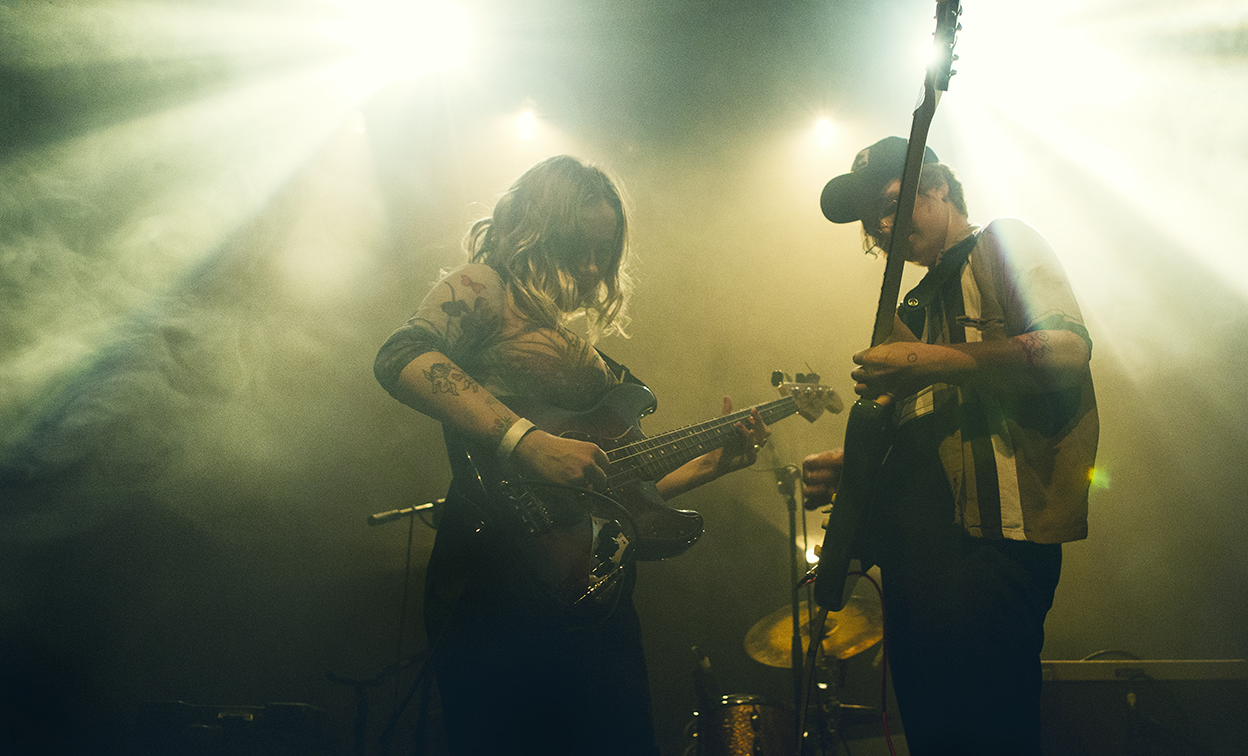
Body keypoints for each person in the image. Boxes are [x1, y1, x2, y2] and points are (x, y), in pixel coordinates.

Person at [373, 155, 766, 756]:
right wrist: (526, 442)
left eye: (602, 253)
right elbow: (402, 355)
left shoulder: (593, 361)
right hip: (495, 573)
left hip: (593, 595)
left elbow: (619, 485)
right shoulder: (483, 286)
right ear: (535, 231)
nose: (590, 267)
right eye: (578, 246)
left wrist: (717, 463)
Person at [803, 136, 1099, 756]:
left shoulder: (1003, 245)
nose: (880, 226)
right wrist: (860, 469)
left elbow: (1067, 352)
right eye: (869, 219)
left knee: (989, 735)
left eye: (892, 203)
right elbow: (932, 430)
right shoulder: (915, 301)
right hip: (919, 562)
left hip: (990, 548)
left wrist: (930, 359)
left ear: (938, 185)